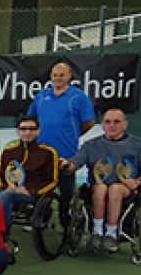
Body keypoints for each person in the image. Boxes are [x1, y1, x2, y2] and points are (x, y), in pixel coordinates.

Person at [60, 108, 141, 253]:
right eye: (108, 122)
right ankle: (97, 233)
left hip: (126, 189)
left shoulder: (138, 145)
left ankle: (111, 234)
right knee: (101, 188)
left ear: (125, 124)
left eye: (116, 122)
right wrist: (67, 164)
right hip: (98, 189)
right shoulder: (91, 145)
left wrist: (138, 181)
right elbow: (76, 162)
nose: (112, 125)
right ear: (103, 125)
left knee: (114, 189)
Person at [27, 61, 96, 202]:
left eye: (62, 75)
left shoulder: (78, 97)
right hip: (42, 152)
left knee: (66, 193)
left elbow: (89, 121)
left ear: (69, 76)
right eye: (55, 75)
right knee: (40, 189)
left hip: (66, 151)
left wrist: (74, 133)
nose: (58, 78)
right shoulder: (41, 96)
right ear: (51, 77)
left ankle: (66, 218)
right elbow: (30, 119)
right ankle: (42, 218)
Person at [0, 114, 58, 229]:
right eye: (23, 129)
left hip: (32, 195)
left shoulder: (48, 152)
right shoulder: (8, 151)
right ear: (18, 132)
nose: (27, 132)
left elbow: (52, 180)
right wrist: (5, 186)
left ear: (38, 131)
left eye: (32, 129)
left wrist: (31, 191)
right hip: (8, 189)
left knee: (6, 196)